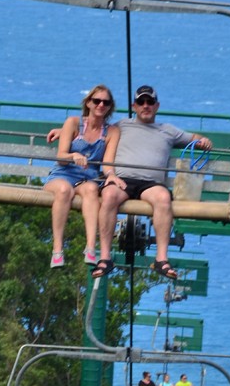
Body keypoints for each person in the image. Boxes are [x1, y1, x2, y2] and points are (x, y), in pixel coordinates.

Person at [90, 85, 213, 279]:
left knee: (163, 198)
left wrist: (203, 141)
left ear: (157, 106)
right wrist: (62, 131)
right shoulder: (121, 125)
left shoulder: (168, 131)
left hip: (150, 184)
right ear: (134, 106)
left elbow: (194, 139)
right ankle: (105, 257)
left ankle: (161, 259)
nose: (145, 106)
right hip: (123, 180)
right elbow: (92, 127)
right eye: (141, 102)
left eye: (149, 102)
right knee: (109, 195)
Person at [44, 85, 120, 268]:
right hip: (63, 174)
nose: (101, 105)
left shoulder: (111, 132)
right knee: (64, 191)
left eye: (106, 102)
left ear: (110, 107)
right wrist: (73, 156)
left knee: (93, 190)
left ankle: (91, 247)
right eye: (97, 101)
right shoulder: (73, 123)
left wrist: (111, 175)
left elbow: (108, 162)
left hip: (88, 178)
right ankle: (57, 249)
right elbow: (61, 157)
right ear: (88, 103)